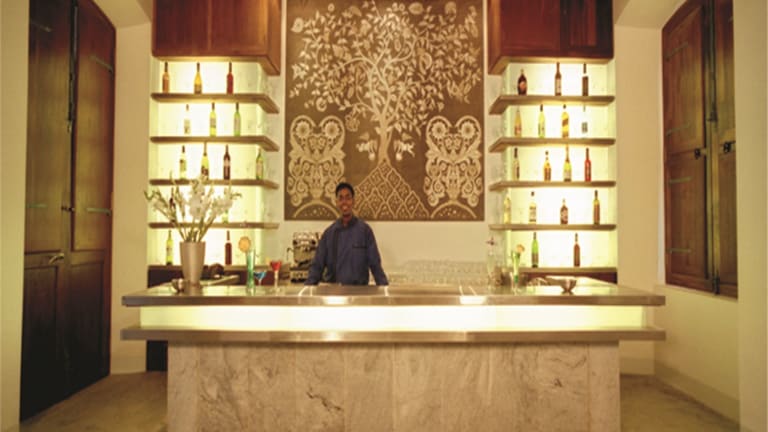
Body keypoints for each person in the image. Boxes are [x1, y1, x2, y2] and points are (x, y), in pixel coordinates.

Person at [305, 182, 389, 286]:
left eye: (348, 198)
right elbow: (317, 266)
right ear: (336, 202)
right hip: (334, 293)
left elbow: (375, 265)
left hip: (359, 292)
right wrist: (307, 290)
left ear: (353, 201)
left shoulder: (365, 231)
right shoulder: (329, 234)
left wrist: (385, 290)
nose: (344, 202)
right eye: (341, 198)